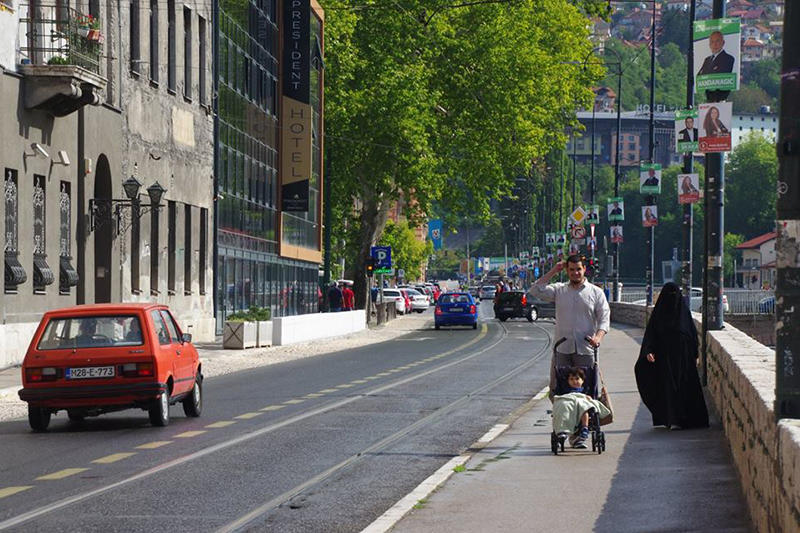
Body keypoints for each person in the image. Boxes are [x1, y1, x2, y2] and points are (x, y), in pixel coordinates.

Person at [527, 254, 610, 400]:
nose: (575, 273)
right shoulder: (559, 290)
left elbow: (604, 318)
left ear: (584, 269)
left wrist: (598, 337)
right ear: (567, 271)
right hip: (562, 349)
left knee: (588, 388)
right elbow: (535, 291)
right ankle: (563, 418)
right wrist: (553, 270)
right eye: (571, 269)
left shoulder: (595, 292)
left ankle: (586, 419)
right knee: (557, 388)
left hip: (586, 348)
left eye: (578, 269)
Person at [634, 283, 709, 430]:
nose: (672, 299)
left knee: (686, 388)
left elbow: (693, 336)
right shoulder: (659, 315)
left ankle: (687, 419)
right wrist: (648, 351)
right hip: (664, 359)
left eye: (674, 295)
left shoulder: (684, 314)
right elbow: (651, 335)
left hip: (684, 359)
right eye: (669, 296)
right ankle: (671, 418)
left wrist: (695, 354)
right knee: (667, 389)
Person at [552, 367, 612, 449]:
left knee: (585, 407)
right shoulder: (566, 390)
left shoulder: (585, 390)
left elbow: (589, 399)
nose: (574, 381)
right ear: (568, 381)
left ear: (582, 380)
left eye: (577, 379)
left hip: (581, 403)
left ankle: (584, 428)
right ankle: (562, 430)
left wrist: (589, 399)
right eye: (571, 379)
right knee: (563, 406)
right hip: (569, 402)